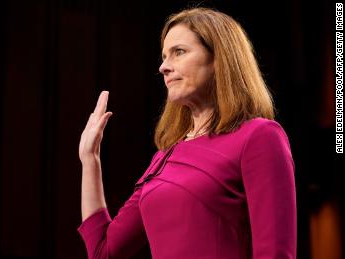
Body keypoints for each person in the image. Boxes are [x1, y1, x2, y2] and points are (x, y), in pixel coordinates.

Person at [77, 7, 296, 259]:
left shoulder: (259, 136)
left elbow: (275, 253)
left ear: (219, 59)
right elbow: (103, 251)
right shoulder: (165, 156)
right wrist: (89, 158)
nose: (163, 67)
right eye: (163, 56)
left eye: (178, 52)